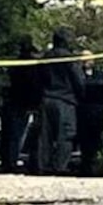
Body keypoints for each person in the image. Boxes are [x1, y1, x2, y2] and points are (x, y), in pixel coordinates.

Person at [37, 35, 82, 176]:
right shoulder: (69, 59)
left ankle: (43, 166)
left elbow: (38, 78)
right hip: (65, 99)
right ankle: (60, 166)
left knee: (45, 135)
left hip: (46, 98)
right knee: (66, 134)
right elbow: (78, 79)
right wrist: (80, 95)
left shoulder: (45, 58)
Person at [0, 42, 44, 173]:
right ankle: (13, 162)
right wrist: (35, 102)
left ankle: (7, 161)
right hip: (24, 103)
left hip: (12, 101)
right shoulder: (33, 67)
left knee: (9, 134)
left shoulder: (15, 65)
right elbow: (35, 86)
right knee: (18, 134)